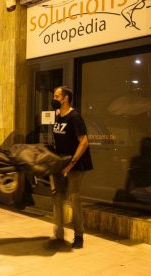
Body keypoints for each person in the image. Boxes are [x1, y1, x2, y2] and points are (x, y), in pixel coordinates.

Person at [49, 86, 93, 249]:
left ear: (65, 98)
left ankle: (79, 235)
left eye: (56, 95)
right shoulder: (59, 116)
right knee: (58, 198)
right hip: (60, 164)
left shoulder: (74, 118)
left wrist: (70, 165)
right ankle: (59, 234)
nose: (54, 98)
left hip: (76, 165)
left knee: (74, 199)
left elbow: (84, 142)